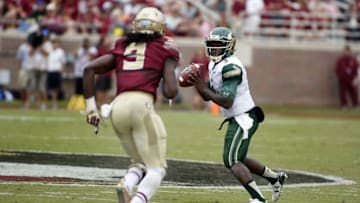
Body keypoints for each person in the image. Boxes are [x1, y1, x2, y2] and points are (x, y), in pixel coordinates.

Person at [82, 7, 180, 203]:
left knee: (139, 162)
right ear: (160, 28)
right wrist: (171, 66)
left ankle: (127, 183)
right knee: (157, 168)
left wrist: (91, 108)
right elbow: (170, 91)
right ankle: (138, 200)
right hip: (140, 105)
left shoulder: (122, 45)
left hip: (116, 108)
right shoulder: (165, 46)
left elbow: (89, 69)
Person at [188, 27, 287, 203]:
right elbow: (208, 93)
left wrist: (203, 87)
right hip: (236, 117)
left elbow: (227, 101)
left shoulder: (231, 66)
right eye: (211, 45)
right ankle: (274, 178)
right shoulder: (214, 64)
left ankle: (258, 199)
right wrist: (197, 83)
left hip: (244, 117)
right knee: (238, 157)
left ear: (229, 47)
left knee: (231, 159)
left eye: (218, 45)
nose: (213, 49)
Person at [47, 37, 66, 110]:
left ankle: (54, 103)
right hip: (50, 71)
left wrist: (61, 70)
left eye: (55, 43)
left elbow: (63, 62)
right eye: (53, 43)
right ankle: (49, 103)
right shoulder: (50, 51)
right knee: (50, 88)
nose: (54, 44)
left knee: (55, 89)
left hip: (56, 71)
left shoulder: (60, 51)